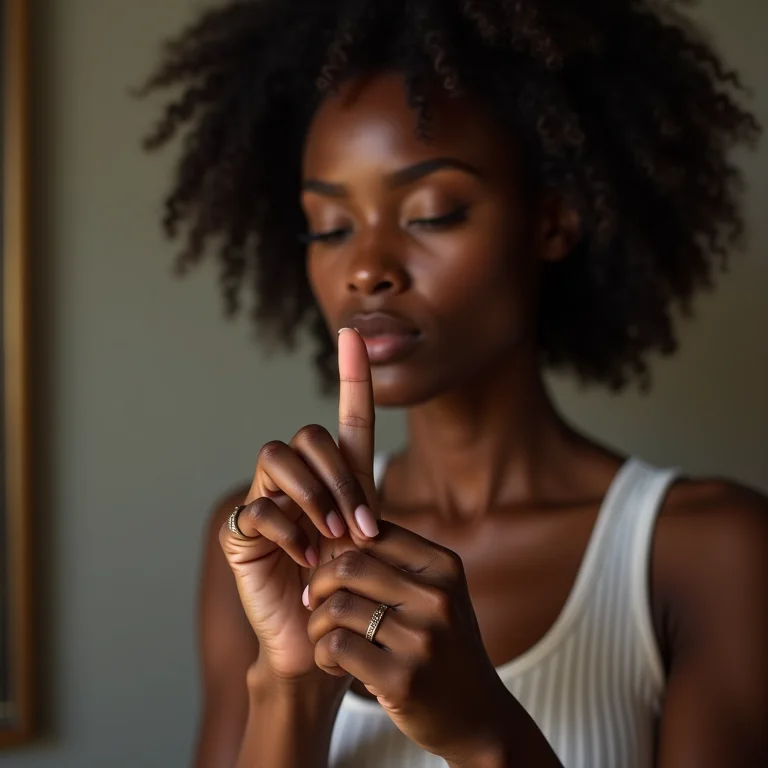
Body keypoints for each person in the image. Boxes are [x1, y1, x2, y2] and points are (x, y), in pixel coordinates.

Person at [141, 1, 767, 766]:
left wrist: (485, 735)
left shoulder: (707, 550)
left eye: (432, 213)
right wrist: (293, 686)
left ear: (552, 220)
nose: (366, 266)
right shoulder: (266, 540)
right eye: (331, 227)